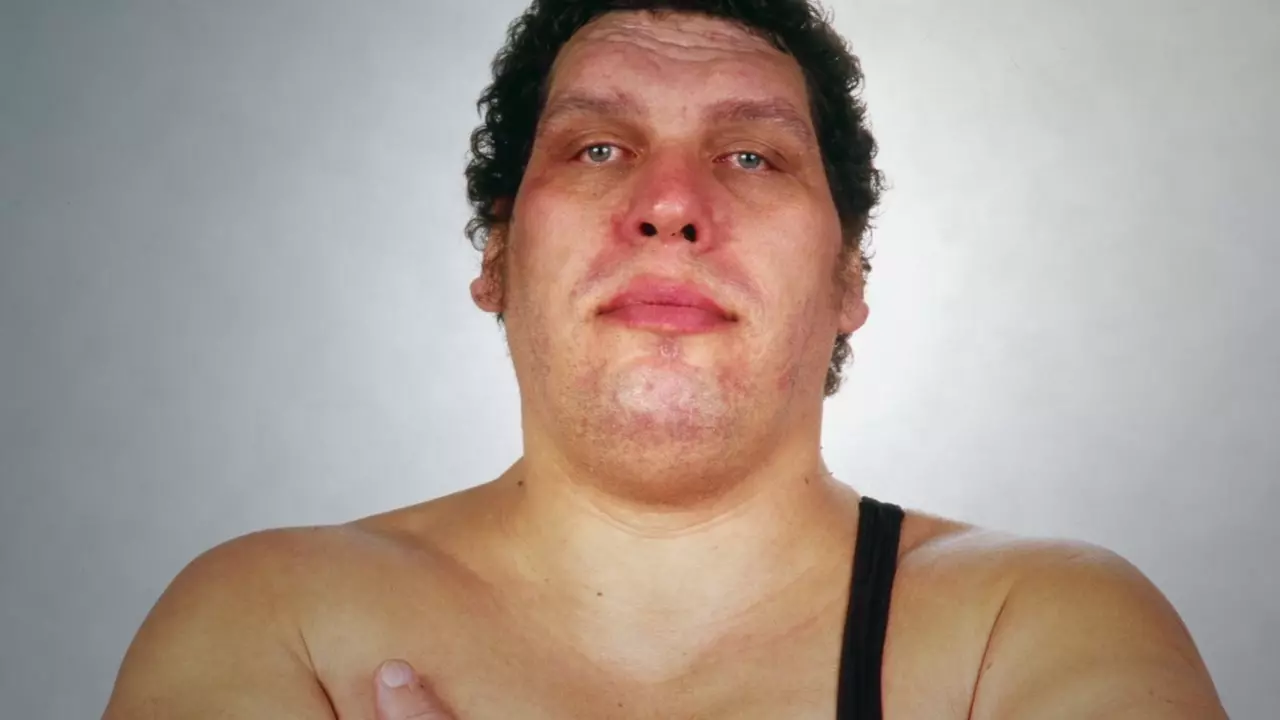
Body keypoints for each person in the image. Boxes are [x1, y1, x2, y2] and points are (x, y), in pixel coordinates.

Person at [102, 1, 1228, 718]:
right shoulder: (275, 617)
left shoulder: (1035, 624)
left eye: (752, 156)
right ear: (496, 254)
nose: (671, 205)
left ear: (847, 279)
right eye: (598, 147)